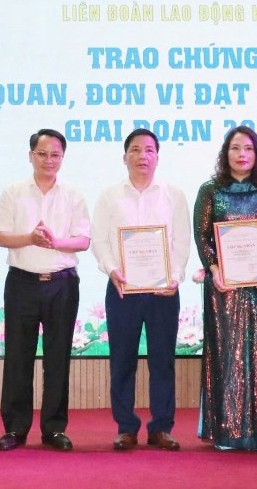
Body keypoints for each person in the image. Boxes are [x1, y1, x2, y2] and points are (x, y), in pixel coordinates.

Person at [193, 126, 257, 451]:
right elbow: (202, 235)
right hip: (224, 288)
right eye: (235, 148)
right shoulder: (210, 190)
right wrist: (214, 268)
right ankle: (228, 432)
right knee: (227, 356)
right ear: (226, 153)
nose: (242, 154)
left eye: (248, 148)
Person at [90, 128, 189, 452]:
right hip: (123, 289)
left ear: (157, 157)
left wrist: (175, 276)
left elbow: (181, 241)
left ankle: (161, 427)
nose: (142, 156)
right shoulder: (109, 196)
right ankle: (126, 428)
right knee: (122, 360)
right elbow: (100, 240)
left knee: (163, 361)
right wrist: (111, 269)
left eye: (148, 150)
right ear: (125, 157)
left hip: (163, 292)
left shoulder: (174, 195)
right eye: (135, 150)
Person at [0, 128, 90, 452]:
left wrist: (55, 242)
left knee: (58, 357)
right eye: (42, 154)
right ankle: (15, 428)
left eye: (55, 155)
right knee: (18, 357)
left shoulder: (73, 194)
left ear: (63, 158)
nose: (49, 160)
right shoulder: (13, 192)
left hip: (62, 283)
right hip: (22, 282)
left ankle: (54, 429)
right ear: (30, 155)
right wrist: (31, 239)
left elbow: (83, 240)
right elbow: (1, 236)